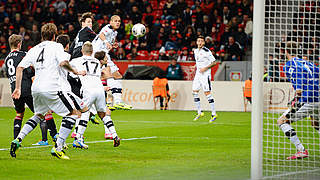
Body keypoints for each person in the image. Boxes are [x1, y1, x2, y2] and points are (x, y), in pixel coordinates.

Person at [10, 23, 88, 160]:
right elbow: (63, 63)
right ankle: (58, 147)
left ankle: (18, 139)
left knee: (39, 115)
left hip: (36, 88)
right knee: (74, 113)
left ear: (42, 35)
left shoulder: (33, 49)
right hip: (52, 87)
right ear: (54, 35)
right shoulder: (57, 46)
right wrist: (76, 71)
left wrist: (17, 88)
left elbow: (19, 68)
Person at [4, 34, 58, 146]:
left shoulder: (7, 58)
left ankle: (16, 139)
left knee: (19, 114)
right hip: (27, 88)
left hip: (15, 89)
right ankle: (45, 139)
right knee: (42, 113)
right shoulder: (24, 55)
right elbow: (30, 72)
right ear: (19, 44)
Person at [70, 42, 120, 148]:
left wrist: (75, 73)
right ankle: (114, 135)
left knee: (83, 112)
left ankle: (78, 137)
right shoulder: (97, 61)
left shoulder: (76, 60)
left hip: (88, 89)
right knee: (103, 114)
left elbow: (68, 70)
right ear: (92, 52)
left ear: (82, 51)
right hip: (99, 89)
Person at [277, 41, 320, 160]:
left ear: (285, 51)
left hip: (308, 100)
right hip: (318, 98)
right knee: (316, 123)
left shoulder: (289, 65)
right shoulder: (308, 63)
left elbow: (299, 89)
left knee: (282, 121)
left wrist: (294, 103)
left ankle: (301, 150)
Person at [92, 15, 132, 110]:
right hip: (100, 55)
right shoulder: (108, 27)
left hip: (100, 55)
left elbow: (106, 42)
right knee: (114, 75)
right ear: (111, 22)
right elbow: (101, 34)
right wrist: (106, 42)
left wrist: (112, 45)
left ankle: (109, 102)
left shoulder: (114, 32)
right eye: (115, 21)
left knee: (108, 76)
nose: (117, 22)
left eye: (119, 21)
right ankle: (117, 101)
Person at [192, 35, 218, 123]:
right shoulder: (195, 51)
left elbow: (214, 62)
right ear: (196, 42)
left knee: (207, 93)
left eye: (201, 41)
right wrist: (195, 66)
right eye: (198, 41)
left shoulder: (207, 51)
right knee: (194, 91)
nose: (199, 43)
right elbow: (199, 62)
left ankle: (214, 114)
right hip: (198, 74)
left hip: (205, 75)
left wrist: (205, 68)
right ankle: (200, 112)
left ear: (203, 43)